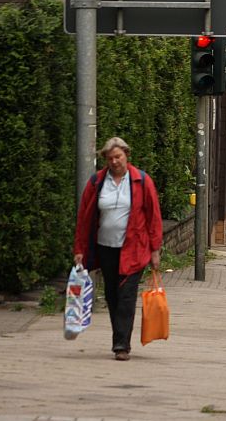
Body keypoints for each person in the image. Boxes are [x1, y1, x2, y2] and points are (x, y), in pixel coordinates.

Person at [73, 137, 162, 361]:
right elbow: (84, 218)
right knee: (112, 295)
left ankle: (121, 345)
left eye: (118, 157)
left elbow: (153, 217)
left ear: (126, 155)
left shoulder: (142, 181)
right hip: (106, 248)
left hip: (135, 248)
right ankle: (119, 337)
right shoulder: (96, 182)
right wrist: (80, 249)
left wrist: (155, 250)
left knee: (126, 295)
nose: (114, 161)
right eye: (110, 158)